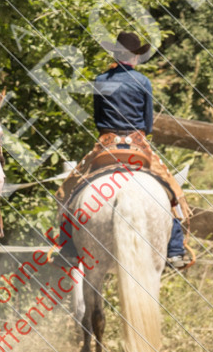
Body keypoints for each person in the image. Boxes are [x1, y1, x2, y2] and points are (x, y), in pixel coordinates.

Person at [58, 31, 191, 270]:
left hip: (106, 145)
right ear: (135, 57)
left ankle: (67, 248)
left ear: (116, 54)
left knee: (70, 189)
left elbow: (98, 118)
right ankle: (175, 250)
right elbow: (148, 124)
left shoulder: (101, 80)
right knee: (172, 192)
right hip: (138, 145)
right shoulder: (143, 82)